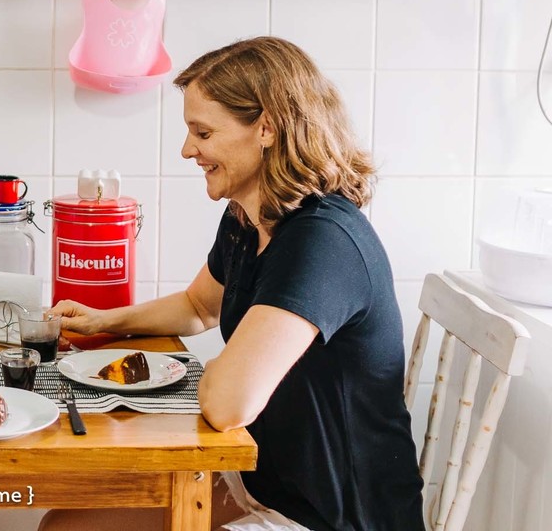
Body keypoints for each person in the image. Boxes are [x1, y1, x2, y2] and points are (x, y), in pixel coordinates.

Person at [42, 37, 424, 531]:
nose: (187, 150)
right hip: (264, 479)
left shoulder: (321, 243)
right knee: (64, 527)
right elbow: (199, 305)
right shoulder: (249, 217)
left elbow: (226, 405)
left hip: (330, 516)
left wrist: (226, 370)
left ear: (266, 127)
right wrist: (103, 321)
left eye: (202, 132)